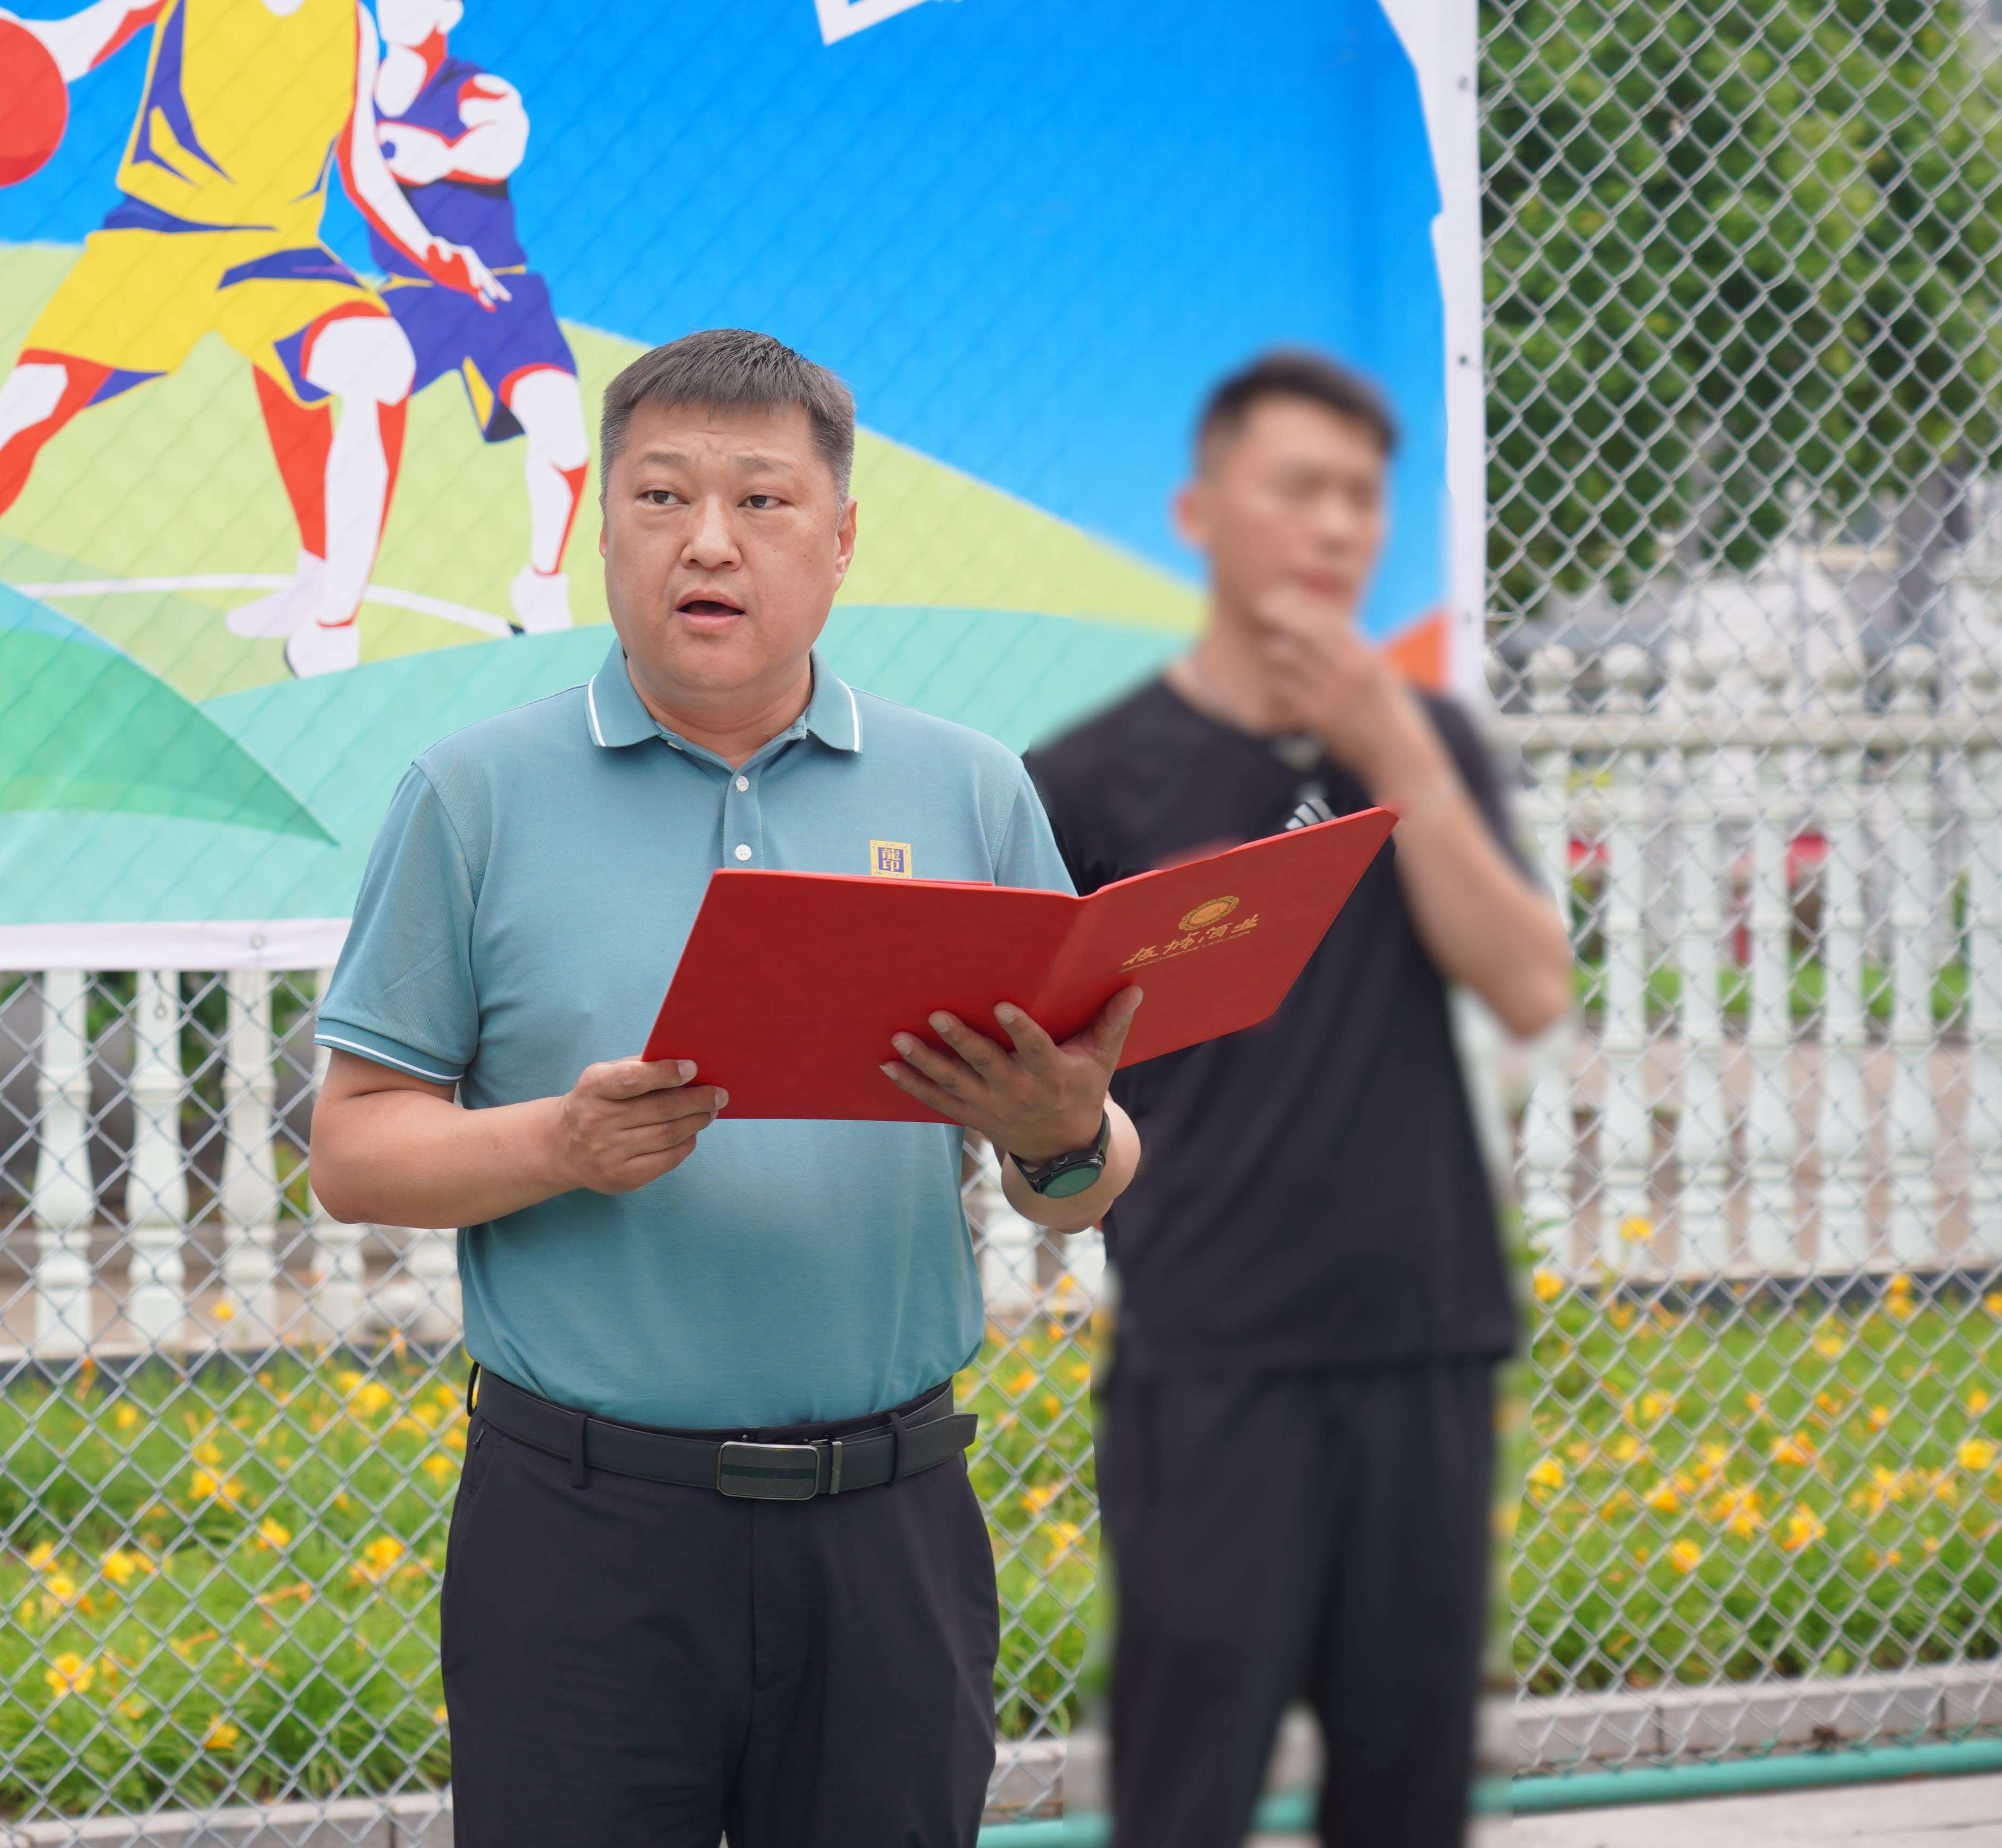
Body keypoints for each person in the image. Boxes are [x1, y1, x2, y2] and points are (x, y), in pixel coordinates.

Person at [309, 327, 1145, 1847]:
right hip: (583, 1535)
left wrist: (1063, 1134)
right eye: (661, 496)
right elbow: (355, 1149)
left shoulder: (967, 790)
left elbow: (1081, 1175)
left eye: (761, 500)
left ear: (840, 540)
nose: (708, 541)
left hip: (889, 1528)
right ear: (600, 529)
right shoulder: (473, 795)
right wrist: (560, 1142)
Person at [1023, 351, 1571, 1848]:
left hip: (1424, 1338)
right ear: (1199, 511)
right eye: (1296, 489)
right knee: (1186, 1782)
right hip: (1212, 1357)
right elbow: (1029, 1086)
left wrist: (1397, 757)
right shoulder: (1092, 780)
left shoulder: (1425, 742)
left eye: (1360, 498)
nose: (1334, 526)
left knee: (1407, 1788)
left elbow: (1528, 983)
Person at [0, 0, 507, 677]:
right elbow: (70, 43)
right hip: (156, 238)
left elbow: (362, 170)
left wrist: (432, 250)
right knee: (15, 414)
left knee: (381, 362)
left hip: (275, 255)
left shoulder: (351, 24)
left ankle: (329, 622)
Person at [234, 0, 590, 650]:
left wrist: (441, 156)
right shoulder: (350, 92)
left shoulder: (476, 88)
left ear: (448, 12)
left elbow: (503, 143)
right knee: (287, 371)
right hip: (414, 294)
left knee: (563, 432)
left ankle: (541, 588)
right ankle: (318, 576)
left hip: (499, 290)